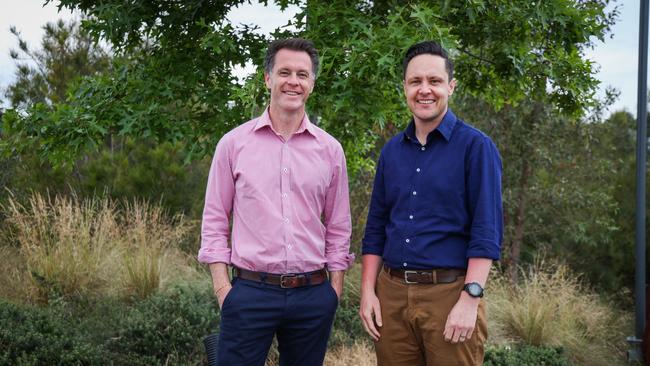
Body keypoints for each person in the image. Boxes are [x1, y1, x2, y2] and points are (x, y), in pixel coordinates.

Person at [198, 38, 354, 366]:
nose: (293, 81)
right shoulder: (233, 145)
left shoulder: (330, 150)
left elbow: (339, 226)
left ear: (312, 83)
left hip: (313, 295)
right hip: (250, 292)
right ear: (268, 78)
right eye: (284, 72)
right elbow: (214, 219)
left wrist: (333, 292)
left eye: (302, 74)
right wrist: (223, 290)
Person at [359, 40, 503, 366]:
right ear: (405, 88)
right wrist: (368, 292)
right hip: (391, 297)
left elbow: (486, 231)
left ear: (450, 86)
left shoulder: (476, 148)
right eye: (415, 82)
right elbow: (376, 229)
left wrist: (471, 299)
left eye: (434, 81)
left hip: (450, 295)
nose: (425, 90)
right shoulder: (391, 152)